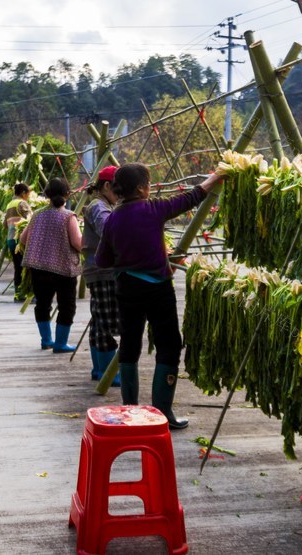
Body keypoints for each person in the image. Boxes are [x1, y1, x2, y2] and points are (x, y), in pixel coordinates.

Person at [95, 163, 225, 429]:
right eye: (149, 183)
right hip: (157, 289)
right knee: (168, 344)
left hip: (126, 290)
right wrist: (217, 176)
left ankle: (130, 410)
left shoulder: (113, 219)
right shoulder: (154, 209)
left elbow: (102, 260)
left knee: (130, 344)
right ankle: (163, 412)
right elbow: (192, 197)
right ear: (143, 188)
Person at [19, 178, 82, 352]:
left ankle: (46, 340)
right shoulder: (68, 216)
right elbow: (77, 242)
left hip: (39, 268)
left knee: (43, 304)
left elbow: (23, 239)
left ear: (46, 195)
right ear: (68, 194)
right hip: (64, 269)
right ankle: (61, 344)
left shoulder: (37, 214)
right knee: (66, 305)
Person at [81, 165, 121, 387]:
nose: (121, 196)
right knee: (106, 322)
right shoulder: (100, 207)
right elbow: (110, 230)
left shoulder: (101, 203)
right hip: (104, 271)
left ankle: (99, 369)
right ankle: (108, 373)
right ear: (107, 186)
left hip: (96, 270)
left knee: (98, 321)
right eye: (119, 190)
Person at [3, 183, 32, 302]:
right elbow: (31, 219)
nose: (29, 196)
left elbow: (4, 224)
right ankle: (26, 293)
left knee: (17, 267)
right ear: (23, 193)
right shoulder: (22, 203)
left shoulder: (10, 204)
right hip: (20, 240)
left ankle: (18, 293)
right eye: (28, 193)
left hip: (10, 240)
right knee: (27, 267)